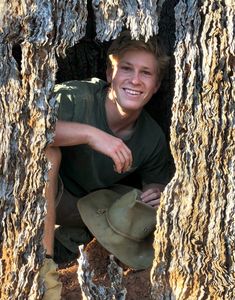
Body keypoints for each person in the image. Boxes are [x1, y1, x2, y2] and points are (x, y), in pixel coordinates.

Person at [40, 30, 170, 299]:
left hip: (88, 210)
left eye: (146, 73)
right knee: (48, 155)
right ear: (110, 74)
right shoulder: (77, 98)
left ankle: (73, 241)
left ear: (156, 85)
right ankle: (44, 268)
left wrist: (155, 192)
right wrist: (92, 135)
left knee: (131, 204)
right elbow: (24, 127)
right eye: (126, 68)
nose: (135, 79)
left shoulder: (152, 137)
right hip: (42, 198)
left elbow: (157, 180)